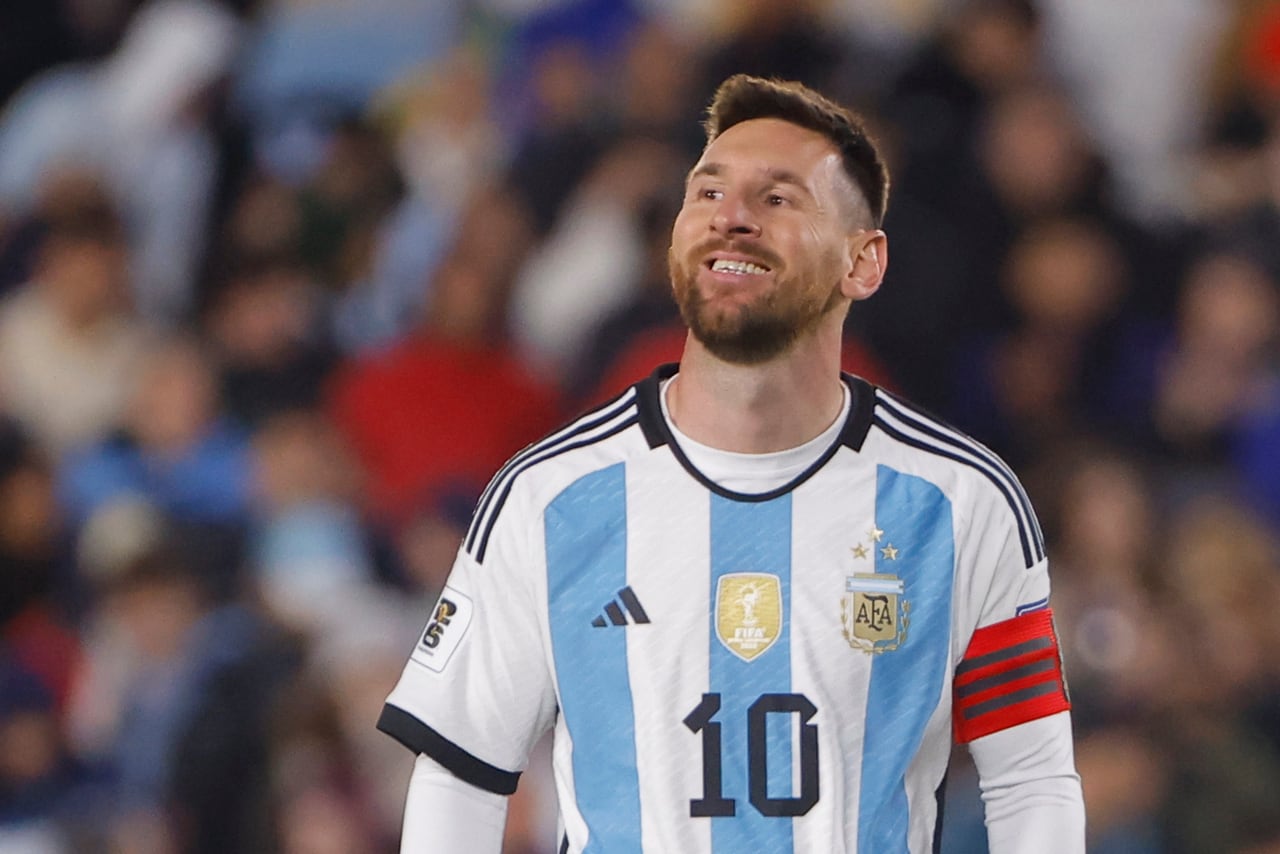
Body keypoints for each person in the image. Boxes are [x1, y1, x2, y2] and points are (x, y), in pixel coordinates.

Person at [378, 74, 1085, 852]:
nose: (733, 218)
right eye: (707, 193)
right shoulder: (549, 498)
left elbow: (1030, 779)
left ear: (865, 262)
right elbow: (460, 774)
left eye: (778, 199)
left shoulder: (961, 503)